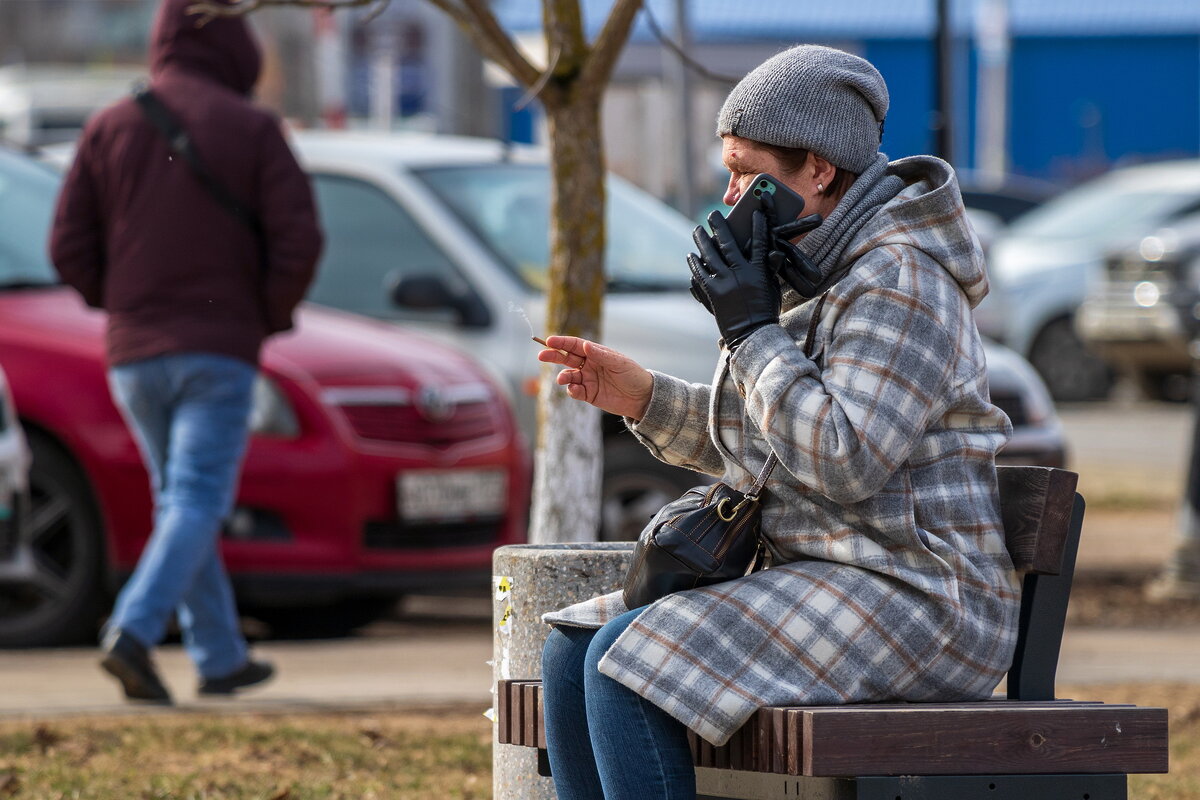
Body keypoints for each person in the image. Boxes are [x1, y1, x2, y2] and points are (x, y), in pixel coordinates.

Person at [535, 44, 1019, 800]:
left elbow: (841, 458)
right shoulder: (808, 265)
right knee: (570, 652)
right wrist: (644, 398)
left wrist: (751, 332)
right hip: (825, 573)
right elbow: (770, 447)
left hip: (919, 594)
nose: (728, 196)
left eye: (746, 170)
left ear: (818, 169)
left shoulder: (901, 278)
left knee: (622, 666)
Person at [49, 0, 323, 704]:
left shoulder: (108, 125)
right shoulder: (253, 127)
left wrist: (125, 306)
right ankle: (133, 631)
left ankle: (220, 656)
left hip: (132, 354)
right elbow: (300, 242)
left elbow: (67, 248)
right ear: (236, 45)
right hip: (218, 348)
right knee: (197, 498)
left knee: (182, 501)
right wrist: (261, 314)